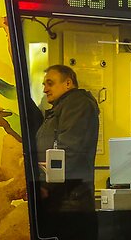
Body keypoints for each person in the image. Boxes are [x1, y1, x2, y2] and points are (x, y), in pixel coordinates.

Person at [35, 64, 99, 212]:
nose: (45, 89)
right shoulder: (60, 109)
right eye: (44, 85)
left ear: (68, 83)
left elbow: (69, 150)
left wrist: (45, 186)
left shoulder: (77, 104)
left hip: (70, 200)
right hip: (62, 197)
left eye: (50, 83)